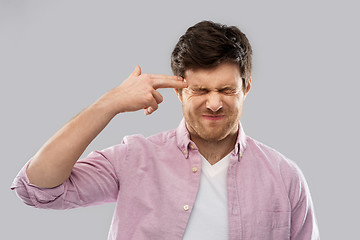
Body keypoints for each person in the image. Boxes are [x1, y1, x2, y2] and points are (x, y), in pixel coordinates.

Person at [11, 20, 319, 240]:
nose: (214, 103)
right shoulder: (135, 158)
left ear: (246, 88)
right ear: (179, 91)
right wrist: (108, 104)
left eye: (226, 89)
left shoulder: (285, 176)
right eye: (200, 90)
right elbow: (38, 188)